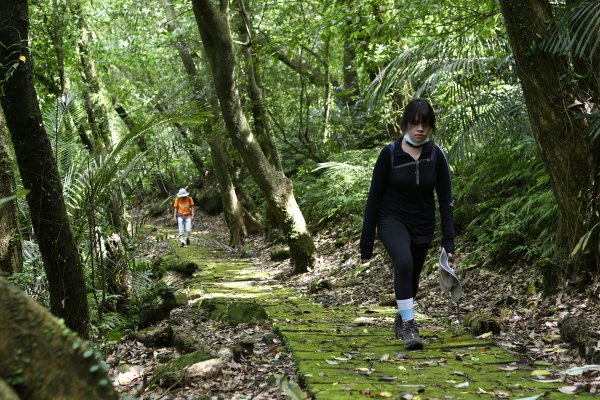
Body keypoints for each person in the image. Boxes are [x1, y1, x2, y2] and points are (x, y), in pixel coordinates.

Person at [360, 98, 455, 350]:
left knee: (412, 275)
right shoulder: (390, 153)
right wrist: (366, 241)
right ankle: (411, 327)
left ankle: (401, 316)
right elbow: (374, 197)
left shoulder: (436, 155)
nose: (419, 128)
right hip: (391, 220)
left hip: (422, 223)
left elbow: (445, 199)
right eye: (414, 123)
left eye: (425, 124)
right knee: (403, 261)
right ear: (405, 125)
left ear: (431, 126)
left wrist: (449, 239)